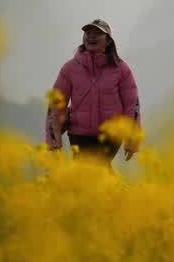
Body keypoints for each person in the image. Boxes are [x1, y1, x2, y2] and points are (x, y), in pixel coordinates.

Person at [45, 18, 141, 165]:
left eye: (98, 33)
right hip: (79, 135)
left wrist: (132, 139)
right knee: (88, 177)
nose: (91, 36)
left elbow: (132, 106)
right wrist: (54, 141)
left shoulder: (121, 69)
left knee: (95, 172)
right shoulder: (70, 68)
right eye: (88, 32)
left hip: (111, 136)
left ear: (108, 41)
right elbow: (56, 105)